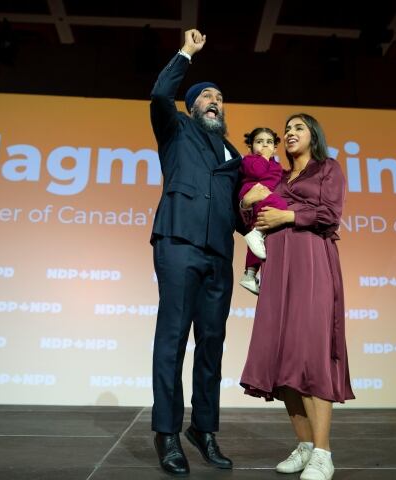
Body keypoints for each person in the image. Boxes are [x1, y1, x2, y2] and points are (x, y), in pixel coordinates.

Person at [149, 28, 245, 476]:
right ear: (192, 106)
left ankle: (203, 429)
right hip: (178, 244)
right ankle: (167, 433)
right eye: (206, 96)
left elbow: (240, 214)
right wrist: (187, 53)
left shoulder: (234, 154)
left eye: (219, 97)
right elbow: (158, 96)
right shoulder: (176, 129)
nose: (214, 100)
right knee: (173, 340)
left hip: (217, 257)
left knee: (212, 345)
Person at [239, 113, 355, 480]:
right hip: (278, 269)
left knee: (310, 353)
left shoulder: (327, 168)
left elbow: (330, 215)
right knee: (283, 355)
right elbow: (254, 222)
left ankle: (323, 453)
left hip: (312, 263)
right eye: (286, 130)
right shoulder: (277, 177)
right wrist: (247, 206)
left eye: (298, 128)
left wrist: (286, 217)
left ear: (314, 135)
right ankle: (304, 445)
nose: (289, 134)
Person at [238, 127, 286, 295]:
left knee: (259, 246)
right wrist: (264, 157)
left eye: (269, 142)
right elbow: (257, 171)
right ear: (250, 146)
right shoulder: (249, 160)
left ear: (275, 148)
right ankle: (257, 232)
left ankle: (249, 275)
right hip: (253, 191)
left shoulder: (276, 165)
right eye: (259, 142)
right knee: (282, 206)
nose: (265, 146)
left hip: (266, 196)